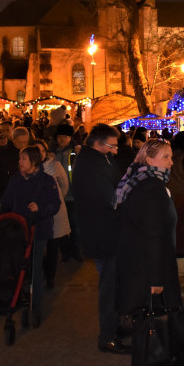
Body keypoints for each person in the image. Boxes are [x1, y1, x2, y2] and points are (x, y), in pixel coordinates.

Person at [115, 138, 184, 366]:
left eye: (170, 156)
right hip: (150, 271)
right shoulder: (152, 188)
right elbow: (153, 235)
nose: (170, 162)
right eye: (165, 157)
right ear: (149, 159)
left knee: (147, 329)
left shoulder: (139, 182)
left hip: (140, 267)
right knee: (154, 329)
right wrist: (156, 279)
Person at [71, 123, 129, 354]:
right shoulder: (89, 165)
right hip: (102, 234)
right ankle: (107, 336)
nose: (116, 150)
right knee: (108, 288)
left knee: (114, 285)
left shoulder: (100, 160)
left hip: (108, 231)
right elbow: (110, 198)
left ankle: (115, 327)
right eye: (112, 145)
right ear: (99, 143)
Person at [0, 145, 61, 327]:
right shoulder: (16, 179)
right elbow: (7, 200)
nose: (20, 162)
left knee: (35, 268)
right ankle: (16, 296)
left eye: (23, 159)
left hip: (39, 229)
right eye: (19, 159)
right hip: (18, 229)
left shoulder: (46, 180)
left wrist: (40, 208)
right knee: (17, 264)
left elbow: (55, 204)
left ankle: (36, 305)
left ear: (34, 161)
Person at [32, 139, 71, 289]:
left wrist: (56, 199)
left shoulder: (55, 165)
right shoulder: (31, 168)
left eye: (42, 151)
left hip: (54, 211)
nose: (40, 154)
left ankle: (50, 277)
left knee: (53, 245)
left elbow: (64, 184)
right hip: (38, 213)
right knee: (40, 246)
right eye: (36, 151)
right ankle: (41, 272)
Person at [53, 123, 83, 262]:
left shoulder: (75, 151)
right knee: (61, 227)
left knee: (74, 225)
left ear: (70, 137)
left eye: (65, 136)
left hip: (72, 194)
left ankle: (76, 251)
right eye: (60, 137)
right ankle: (65, 252)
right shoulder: (54, 152)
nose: (62, 139)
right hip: (58, 195)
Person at [0, 126, 29, 204]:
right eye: (20, 142)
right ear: (13, 140)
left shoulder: (30, 154)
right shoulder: (3, 155)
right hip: (6, 197)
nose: (23, 145)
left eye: (25, 142)